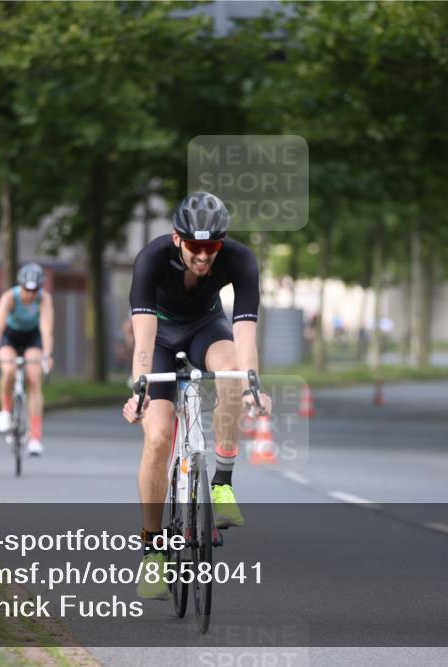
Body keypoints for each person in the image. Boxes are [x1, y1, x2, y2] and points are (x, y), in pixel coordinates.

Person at [122, 191, 271, 600]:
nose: (204, 257)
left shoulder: (239, 259)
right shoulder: (151, 259)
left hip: (207, 326)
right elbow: (142, 339)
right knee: (156, 439)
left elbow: (245, 335)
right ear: (177, 239)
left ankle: (222, 481)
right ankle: (153, 549)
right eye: (195, 247)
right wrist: (140, 389)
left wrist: (252, 381)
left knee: (232, 373)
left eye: (212, 247)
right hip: (160, 337)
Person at [0, 263, 54, 456]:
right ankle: (5, 410)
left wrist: (47, 354)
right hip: (10, 336)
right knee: (9, 370)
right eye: (27, 289)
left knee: (34, 378)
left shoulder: (44, 299)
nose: (31, 294)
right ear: (20, 285)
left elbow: (46, 330)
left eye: (35, 289)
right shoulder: (9, 297)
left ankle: (35, 438)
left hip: (32, 338)